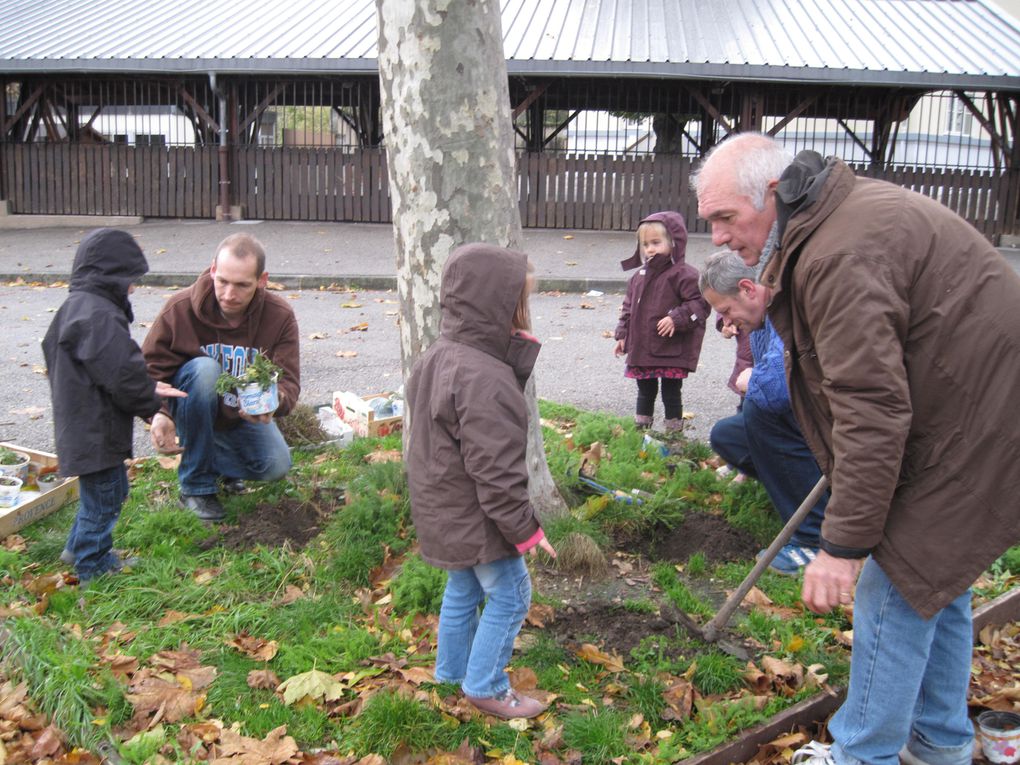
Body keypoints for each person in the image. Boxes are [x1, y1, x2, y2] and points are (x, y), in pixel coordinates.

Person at [692, 132, 1020, 765]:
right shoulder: (824, 227)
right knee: (938, 583)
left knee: (893, 582)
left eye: (726, 218)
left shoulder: (838, 252)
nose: (720, 238)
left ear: (771, 193)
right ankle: (939, 742)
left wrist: (841, 548)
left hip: (974, 430)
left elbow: (870, 408)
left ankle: (862, 753)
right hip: (967, 418)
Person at [404, 243, 557, 720]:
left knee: (463, 588)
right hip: (477, 515)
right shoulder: (486, 378)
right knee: (511, 594)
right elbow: (496, 473)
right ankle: (486, 685)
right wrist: (526, 529)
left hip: (442, 507)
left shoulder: (441, 355)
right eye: (521, 301)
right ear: (501, 306)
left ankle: (450, 673)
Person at [42, 229, 186, 586]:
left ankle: (76, 549)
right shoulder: (98, 315)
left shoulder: (77, 308)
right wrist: (153, 406)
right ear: (110, 276)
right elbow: (123, 372)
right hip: (96, 430)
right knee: (104, 500)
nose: (133, 287)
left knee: (107, 491)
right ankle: (93, 566)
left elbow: (93, 367)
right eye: (129, 279)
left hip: (82, 424)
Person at [142, 233, 300, 522]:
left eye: (242, 285)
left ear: (262, 280)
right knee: (205, 370)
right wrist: (158, 414)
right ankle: (195, 487)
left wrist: (275, 401)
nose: (229, 294)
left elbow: (289, 381)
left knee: (276, 465)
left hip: (240, 417)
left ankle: (216, 466)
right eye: (223, 281)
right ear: (213, 269)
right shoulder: (180, 309)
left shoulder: (280, 317)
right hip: (193, 407)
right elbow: (148, 371)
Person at [700, 250, 829, 575]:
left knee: (759, 410)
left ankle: (814, 538)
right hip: (805, 426)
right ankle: (795, 493)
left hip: (829, 429)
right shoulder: (759, 321)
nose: (726, 322)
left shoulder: (784, 311)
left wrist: (750, 379)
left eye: (726, 310)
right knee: (728, 436)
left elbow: (775, 390)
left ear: (748, 288)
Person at [613, 211, 711, 432]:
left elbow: (700, 304)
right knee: (645, 390)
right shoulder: (638, 277)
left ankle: (673, 433)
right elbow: (628, 308)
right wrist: (622, 335)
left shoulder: (684, 275)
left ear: (674, 242)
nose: (649, 249)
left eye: (656, 242)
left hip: (670, 349)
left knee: (671, 392)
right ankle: (641, 431)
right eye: (645, 244)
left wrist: (676, 318)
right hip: (643, 348)